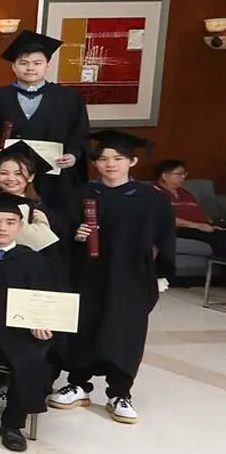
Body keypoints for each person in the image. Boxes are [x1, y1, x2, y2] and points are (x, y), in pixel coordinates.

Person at [49, 130, 176, 425]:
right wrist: (75, 235)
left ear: (132, 161)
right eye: (103, 159)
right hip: (87, 274)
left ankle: (120, 392)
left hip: (130, 277)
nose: (110, 164)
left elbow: (166, 238)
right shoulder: (82, 194)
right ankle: (79, 384)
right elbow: (63, 230)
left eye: (118, 159)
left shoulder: (150, 199)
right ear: (95, 164)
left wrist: (160, 274)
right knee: (84, 327)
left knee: (124, 331)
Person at [0, 192, 65, 451]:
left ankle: (13, 423)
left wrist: (43, 323)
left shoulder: (33, 259)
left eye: (10, 222)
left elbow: (46, 298)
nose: (2, 228)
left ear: (20, 226)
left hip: (18, 330)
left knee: (33, 358)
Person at [0, 31, 89, 211]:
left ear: (47, 65)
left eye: (37, 63)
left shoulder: (68, 98)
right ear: (14, 67)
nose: (30, 68)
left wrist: (73, 155)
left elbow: (79, 133)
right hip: (12, 178)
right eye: (23, 63)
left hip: (55, 176)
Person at [155, 159, 225, 258]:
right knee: (219, 239)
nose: (183, 177)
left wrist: (211, 225)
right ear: (164, 176)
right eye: (179, 174)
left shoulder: (186, 194)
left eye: (184, 174)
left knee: (222, 233)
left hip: (199, 228)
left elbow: (199, 214)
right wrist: (197, 226)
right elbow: (164, 219)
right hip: (179, 229)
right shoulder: (154, 193)